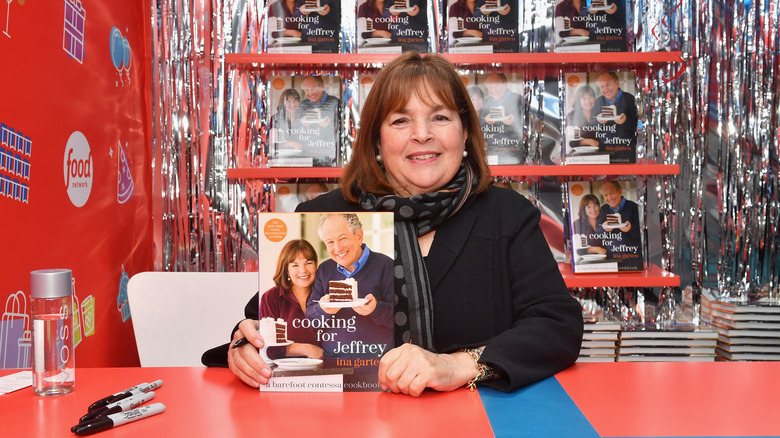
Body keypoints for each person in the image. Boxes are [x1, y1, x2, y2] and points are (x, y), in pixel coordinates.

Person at [226, 52, 582, 396]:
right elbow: (265, 319)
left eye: (440, 117)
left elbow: (556, 325)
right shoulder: (324, 216)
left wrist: (461, 365)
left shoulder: (507, 214)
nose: (422, 134)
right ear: (377, 140)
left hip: (477, 421)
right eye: (400, 120)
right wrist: (245, 344)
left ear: (464, 132)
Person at [200, 239, 323, 366]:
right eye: (295, 265)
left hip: (326, 372)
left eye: (308, 263)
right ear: (286, 269)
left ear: (316, 264)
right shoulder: (271, 297)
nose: (303, 270)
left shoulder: (326, 295)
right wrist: (304, 348)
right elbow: (269, 347)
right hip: (281, 371)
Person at [305, 213, 394, 356]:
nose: (337, 248)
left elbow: (402, 318)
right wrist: (323, 309)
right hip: (333, 363)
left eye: (342, 238)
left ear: (359, 236)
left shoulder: (386, 265)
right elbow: (310, 320)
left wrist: (375, 309)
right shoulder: (324, 270)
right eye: (330, 242)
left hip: (375, 363)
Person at [294, 75, 340, 165]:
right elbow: (293, 131)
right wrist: (302, 124)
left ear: (321, 86)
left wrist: (331, 125)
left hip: (331, 158)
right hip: (306, 158)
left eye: (313, 88)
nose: (310, 93)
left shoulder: (335, 102)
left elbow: (343, 129)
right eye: (306, 90)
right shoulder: (302, 105)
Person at [592, 71, 638, 161]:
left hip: (626, 153)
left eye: (608, 85)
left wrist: (625, 121)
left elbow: (639, 125)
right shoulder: (598, 102)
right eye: (602, 87)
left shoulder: (630, 99)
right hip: (604, 153)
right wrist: (598, 121)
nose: (605, 89)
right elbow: (591, 124)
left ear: (616, 83)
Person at [597, 180, 641, 251]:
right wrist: (604, 229)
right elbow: (598, 233)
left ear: (619, 191)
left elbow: (642, 233)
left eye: (611, 193)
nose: (609, 198)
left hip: (631, 254)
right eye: (605, 195)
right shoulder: (603, 209)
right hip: (611, 255)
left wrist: (630, 228)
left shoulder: (633, 207)